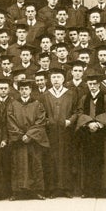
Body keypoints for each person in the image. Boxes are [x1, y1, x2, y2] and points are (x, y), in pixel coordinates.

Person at [75, 74, 106, 199]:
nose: (92, 86)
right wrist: (88, 123)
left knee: (105, 162)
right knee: (88, 161)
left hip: (103, 135)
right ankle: (89, 190)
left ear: (99, 84)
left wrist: (99, 123)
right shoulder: (84, 98)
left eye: (94, 84)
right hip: (88, 134)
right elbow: (79, 112)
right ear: (87, 85)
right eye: (90, 84)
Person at [7, 79, 49, 200]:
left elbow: (40, 121)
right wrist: (21, 135)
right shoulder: (13, 104)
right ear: (19, 91)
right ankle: (17, 192)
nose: (24, 91)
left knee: (35, 164)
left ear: (30, 90)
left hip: (33, 141)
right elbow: (10, 122)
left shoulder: (37, 104)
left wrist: (29, 135)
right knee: (18, 165)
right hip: (19, 141)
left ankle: (37, 191)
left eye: (26, 89)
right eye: (22, 89)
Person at [39, 67, 77, 198]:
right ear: (50, 80)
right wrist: (47, 121)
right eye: (53, 77)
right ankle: (53, 188)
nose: (56, 80)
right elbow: (40, 113)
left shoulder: (70, 94)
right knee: (52, 159)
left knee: (66, 158)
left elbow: (76, 111)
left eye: (58, 77)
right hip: (51, 132)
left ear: (63, 79)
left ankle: (66, 188)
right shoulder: (45, 95)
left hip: (66, 132)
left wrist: (70, 121)